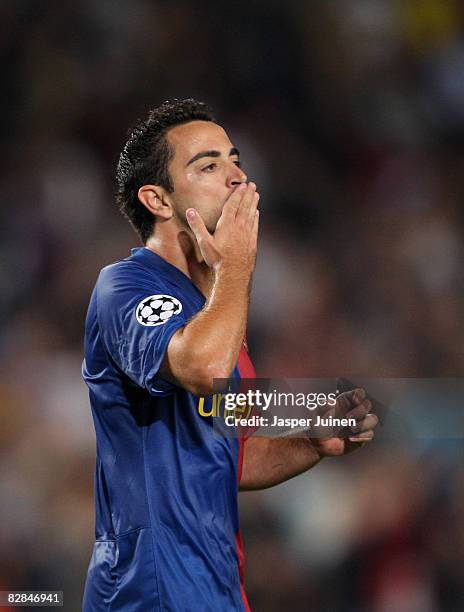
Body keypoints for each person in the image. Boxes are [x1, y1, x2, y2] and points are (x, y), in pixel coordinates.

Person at [82, 98, 378, 611]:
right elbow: (203, 369)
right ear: (158, 199)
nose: (238, 176)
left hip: (218, 582)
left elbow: (230, 458)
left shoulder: (219, 311)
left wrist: (309, 441)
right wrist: (236, 264)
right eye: (209, 165)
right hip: (147, 589)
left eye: (236, 160)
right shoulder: (125, 287)